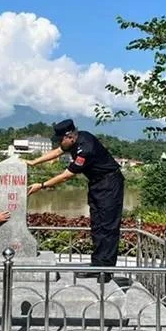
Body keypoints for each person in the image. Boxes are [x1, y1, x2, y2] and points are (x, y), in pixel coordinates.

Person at [27, 119, 124, 284]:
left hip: (110, 184)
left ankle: (106, 271)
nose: (59, 143)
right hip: (97, 184)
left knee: (108, 227)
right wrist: (33, 162)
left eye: (61, 139)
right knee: (97, 226)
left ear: (70, 136)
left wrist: (41, 185)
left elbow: (67, 175)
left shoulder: (86, 148)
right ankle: (97, 265)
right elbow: (58, 151)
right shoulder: (74, 141)